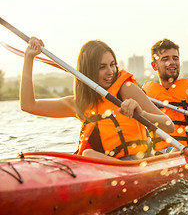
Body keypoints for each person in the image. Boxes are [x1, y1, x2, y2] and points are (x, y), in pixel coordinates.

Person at [20, 37, 174, 160]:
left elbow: (169, 126)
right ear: (88, 71)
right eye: (102, 67)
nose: (111, 71)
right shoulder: (79, 104)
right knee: (85, 155)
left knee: (88, 155)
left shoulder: (125, 90)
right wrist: (29, 58)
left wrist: (142, 115)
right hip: (101, 168)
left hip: (136, 165)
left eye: (112, 64)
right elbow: (28, 105)